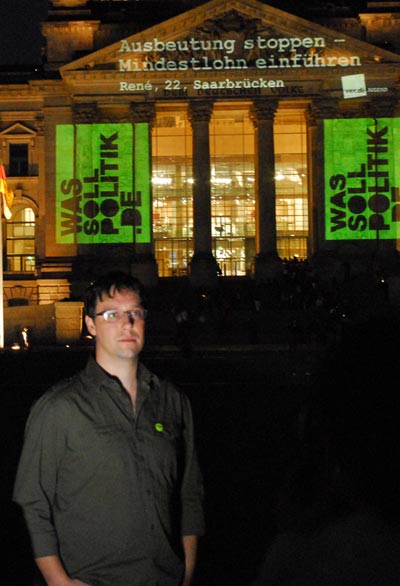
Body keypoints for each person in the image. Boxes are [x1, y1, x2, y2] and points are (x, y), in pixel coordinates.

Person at [13, 271, 205, 586]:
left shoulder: (173, 401)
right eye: (112, 314)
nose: (127, 324)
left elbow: (190, 494)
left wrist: (186, 574)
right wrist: (58, 581)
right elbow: (32, 502)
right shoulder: (59, 408)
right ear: (91, 325)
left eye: (134, 313)